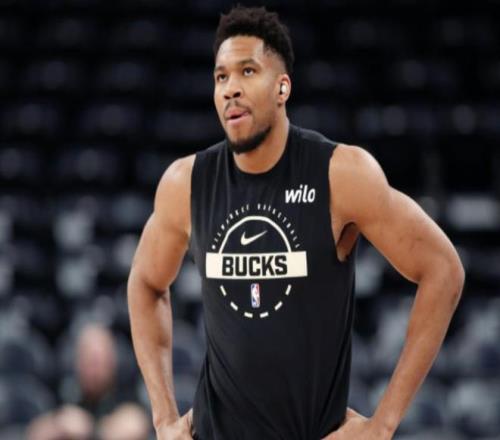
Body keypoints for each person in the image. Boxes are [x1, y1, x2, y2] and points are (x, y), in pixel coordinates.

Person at [127, 6, 465, 440]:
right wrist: (163, 418)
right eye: (221, 77)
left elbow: (443, 269)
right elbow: (145, 283)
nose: (231, 89)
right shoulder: (186, 183)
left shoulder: (341, 174)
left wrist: (382, 424)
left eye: (248, 71)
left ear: (282, 87)